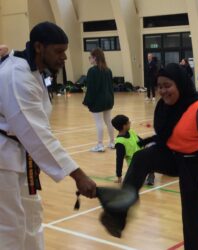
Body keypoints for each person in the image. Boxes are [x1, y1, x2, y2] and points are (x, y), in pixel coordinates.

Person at [100, 63, 198, 249]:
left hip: (193, 163)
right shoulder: (163, 107)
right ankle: (118, 215)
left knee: (192, 218)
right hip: (172, 155)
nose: (163, 91)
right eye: (160, 86)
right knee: (141, 158)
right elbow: (165, 136)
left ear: (180, 84)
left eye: (168, 85)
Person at [0, 21, 96, 250]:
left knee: (32, 217)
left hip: (22, 157)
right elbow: (36, 133)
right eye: (59, 51)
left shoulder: (32, 70)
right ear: (39, 47)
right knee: (10, 227)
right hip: (4, 160)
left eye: (65, 51)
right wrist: (78, 175)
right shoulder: (16, 74)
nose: (64, 57)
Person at [82, 48, 115, 152]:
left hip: (98, 101)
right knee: (108, 121)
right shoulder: (108, 70)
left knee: (99, 122)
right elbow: (111, 87)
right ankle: (112, 142)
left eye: (90, 57)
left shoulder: (92, 71)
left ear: (95, 58)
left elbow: (92, 89)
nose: (89, 59)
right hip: (108, 99)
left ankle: (100, 145)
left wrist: (87, 101)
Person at [111, 115, 156, 185]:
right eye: (128, 122)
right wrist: (119, 176)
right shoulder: (120, 142)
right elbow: (119, 160)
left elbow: (141, 142)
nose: (130, 123)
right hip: (135, 165)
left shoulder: (131, 132)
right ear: (124, 126)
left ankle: (150, 173)